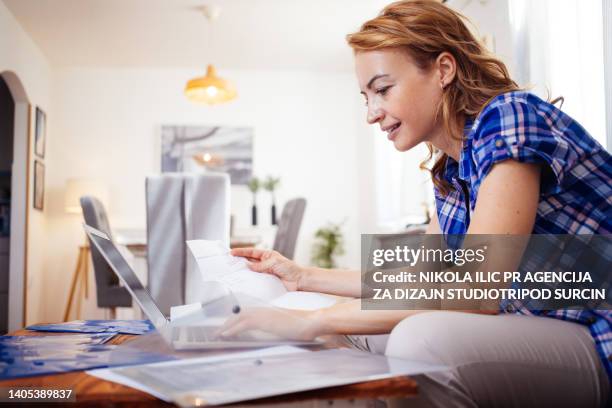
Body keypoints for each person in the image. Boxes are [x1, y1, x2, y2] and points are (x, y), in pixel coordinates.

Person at [221, 1, 611, 406]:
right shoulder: (450, 171)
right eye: (366, 96)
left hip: (600, 333)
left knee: (418, 338)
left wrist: (309, 322)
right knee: (340, 317)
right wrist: (302, 277)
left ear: (444, 69)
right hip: (539, 325)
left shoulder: (510, 117)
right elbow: (420, 278)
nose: (372, 114)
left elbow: (473, 292)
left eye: (383, 89)